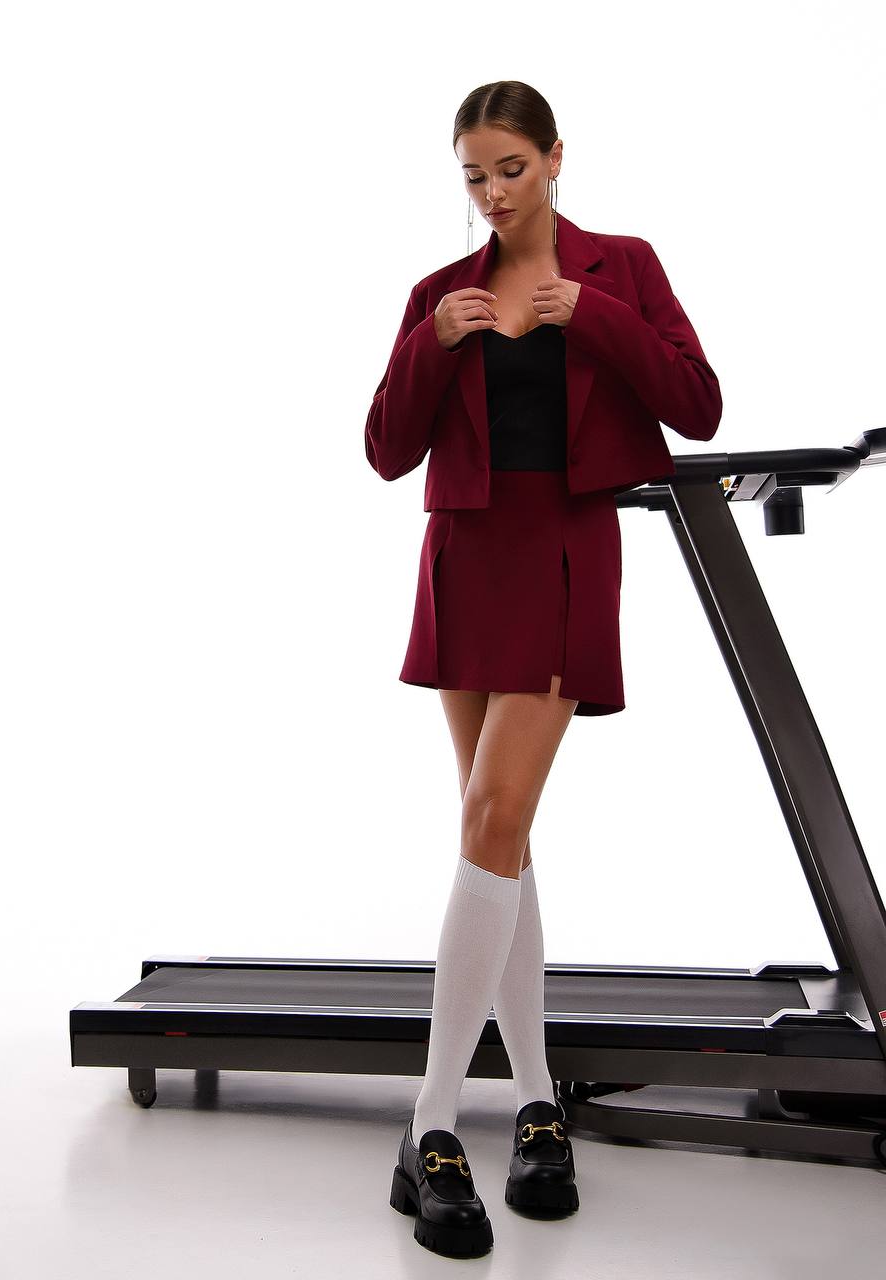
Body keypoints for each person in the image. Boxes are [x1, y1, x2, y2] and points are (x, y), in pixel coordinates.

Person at [369, 80, 723, 1258]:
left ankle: (428, 1124)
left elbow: (698, 404)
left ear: (555, 157)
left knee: (494, 812)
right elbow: (383, 448)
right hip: (466, 555)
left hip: (567, 552)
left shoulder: (620, 267)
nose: (492, 189)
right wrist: (435, 342)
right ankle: (534, 1102)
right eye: (473, 173)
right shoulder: (442, 293)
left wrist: (595, 318)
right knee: (498, 836)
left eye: (510, 166)